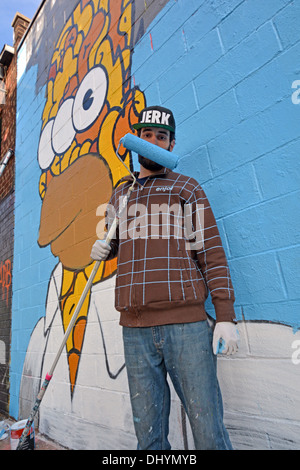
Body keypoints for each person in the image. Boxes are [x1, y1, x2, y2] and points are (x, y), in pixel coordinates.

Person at [91, 105, 239, 450]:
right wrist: (101, 246)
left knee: (208, 432)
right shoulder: (120, 193)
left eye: (162, 137)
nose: (155, 142)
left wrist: (225, 316)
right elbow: (111, 242)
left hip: (186, 327)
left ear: (171, 146)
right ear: (136, 142)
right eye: (147, 135)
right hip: (135, 329)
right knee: (149, 437)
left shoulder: (187, 189)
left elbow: (212, 253)